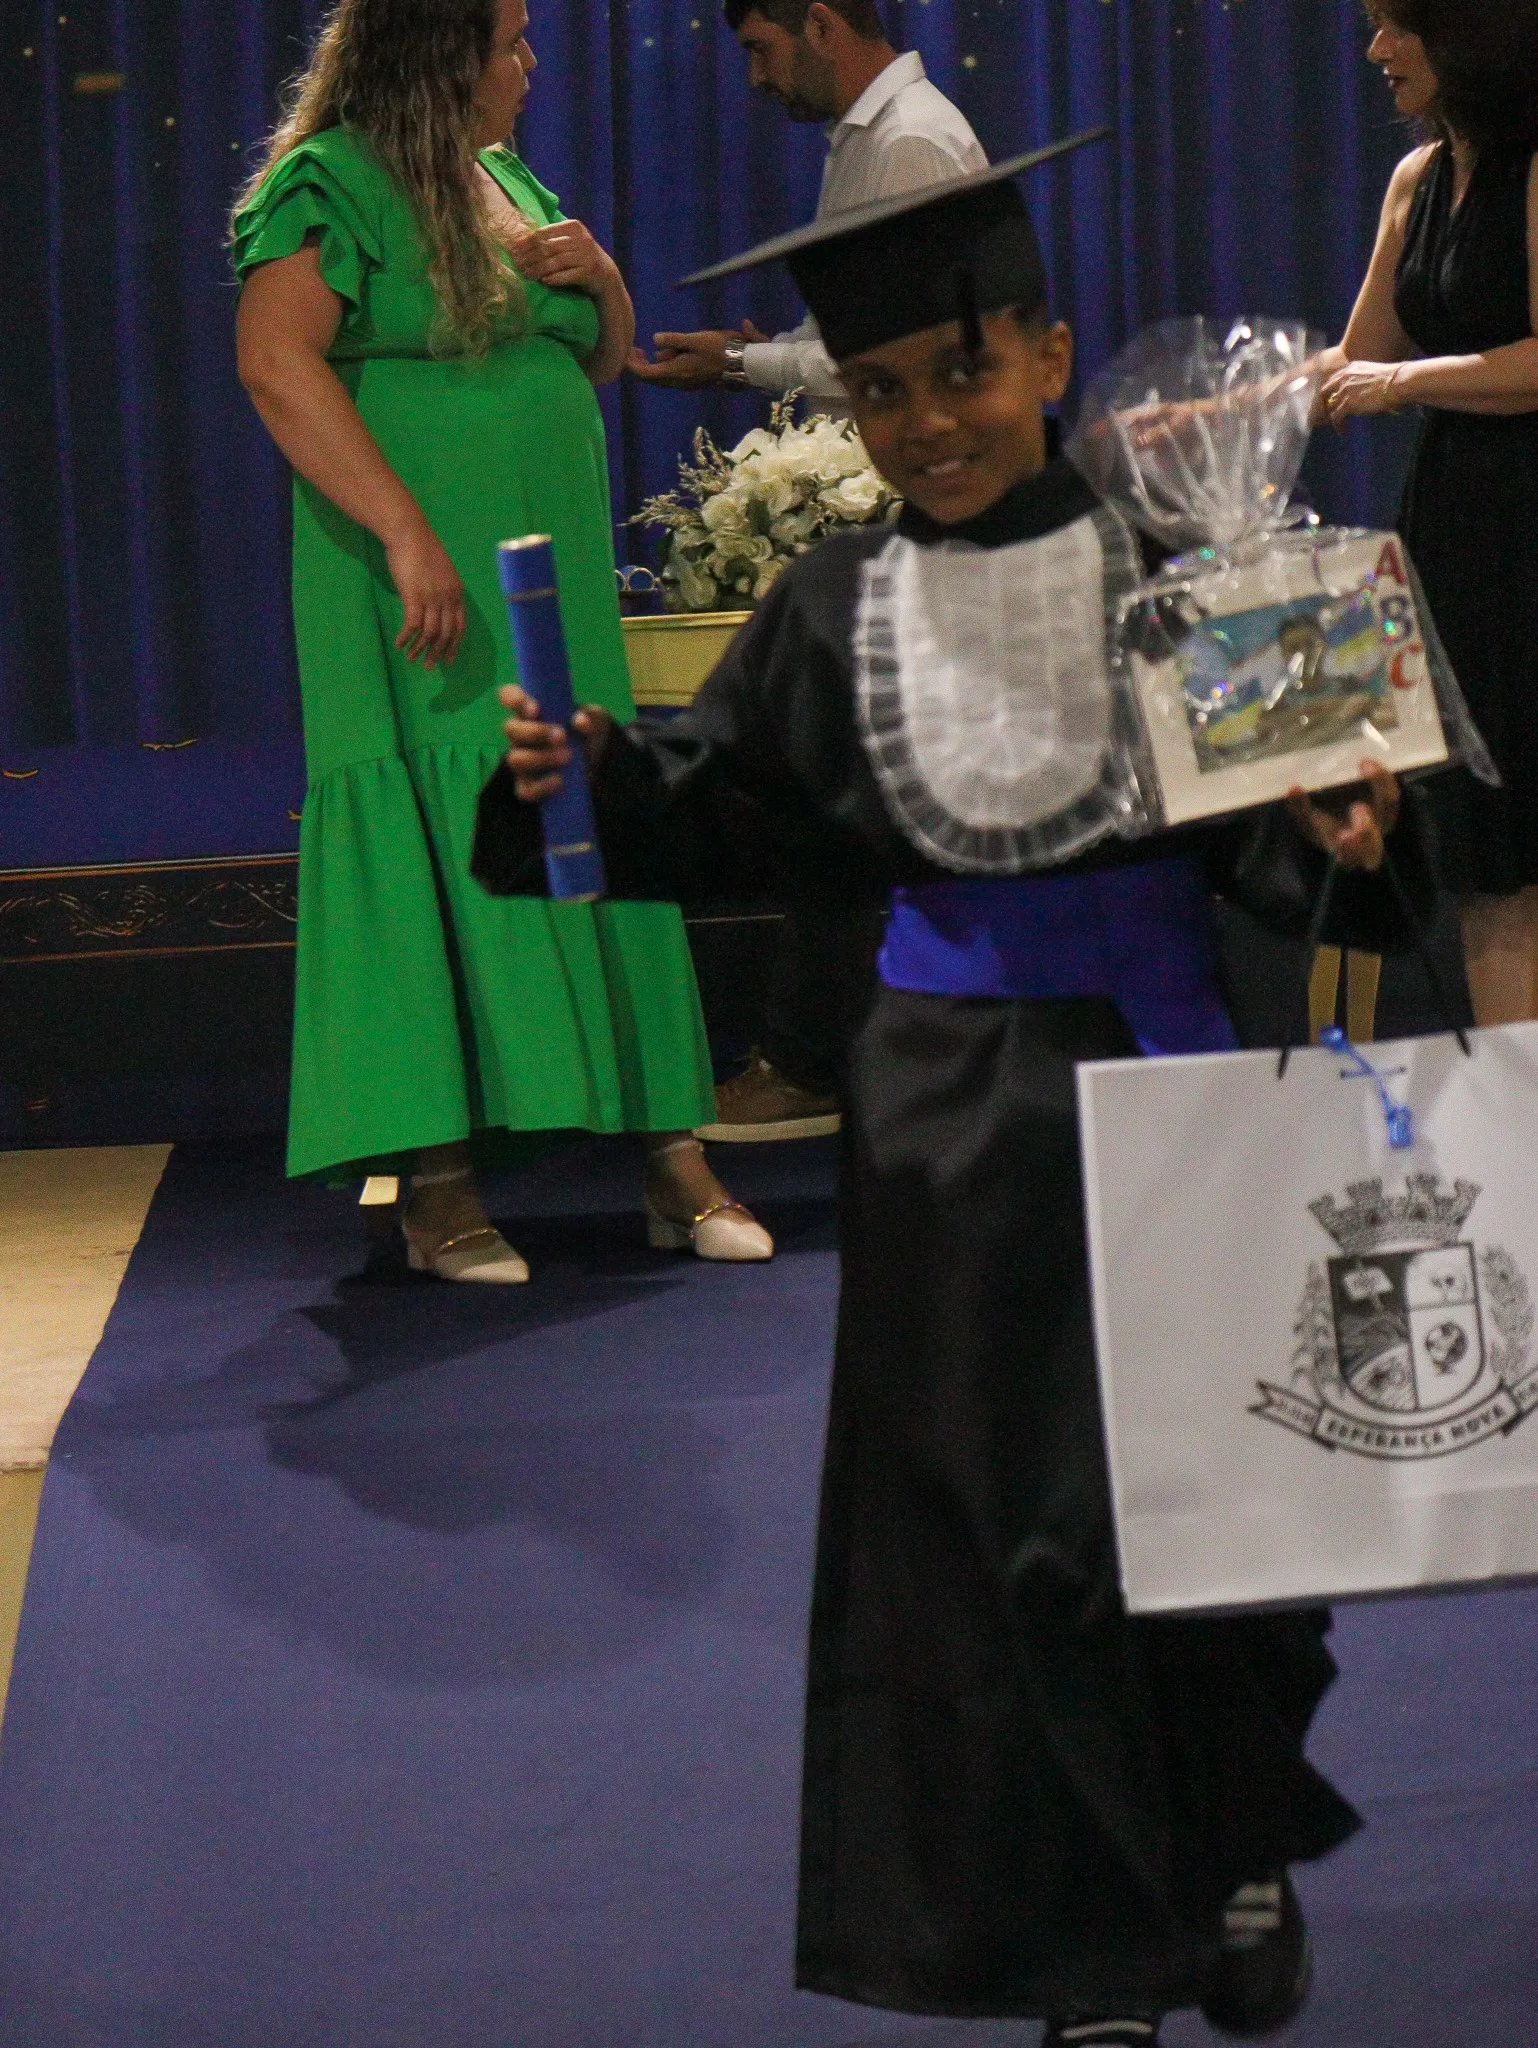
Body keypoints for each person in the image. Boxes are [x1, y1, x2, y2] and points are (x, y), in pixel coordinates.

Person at [482, 152, 1441, 2043]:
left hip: (1171, 1086)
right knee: (1005, 1549)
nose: (926, 420)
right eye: (882, 391)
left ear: (1047, 358)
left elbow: (1279, 855)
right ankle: (1091, 1953)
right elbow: (723, 805)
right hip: (949, 1134)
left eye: (963, 372)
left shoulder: (1177, 567)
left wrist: (1345, 830)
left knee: (1224, 1511)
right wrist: (577, 775)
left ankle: (1231, 1848)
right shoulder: (832, 605)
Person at [232, 0, 772, 1277]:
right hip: (417, 570)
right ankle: (438, 1183)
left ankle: (667, 1150)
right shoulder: (329, 183)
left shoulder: (505, 176)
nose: (529, 64)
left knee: (587, 811)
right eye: (510, 42)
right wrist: (406, 534)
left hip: (546, 569)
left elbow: (591, 364)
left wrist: (606, 286)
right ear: (440, 55)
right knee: (445, 824)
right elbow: (275, 363)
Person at [632, 0, 989, 1143]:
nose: (753, 78)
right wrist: (748, 359)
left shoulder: (910, 142)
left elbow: (908, 348)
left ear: (821, 22)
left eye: (759, 48)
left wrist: (745, 363)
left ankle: (808, 1060)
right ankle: (838, 1055)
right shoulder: (873, 141)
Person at [1315, 0, 1538, 1026]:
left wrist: (1401, 383)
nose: (1374, 51)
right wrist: (1213, 410)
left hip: (1525, 532)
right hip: (1455, 534)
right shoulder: (1416, 179)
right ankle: (1518, 1108)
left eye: (1393, 24)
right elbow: (1352, 362)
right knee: (1492, 859)